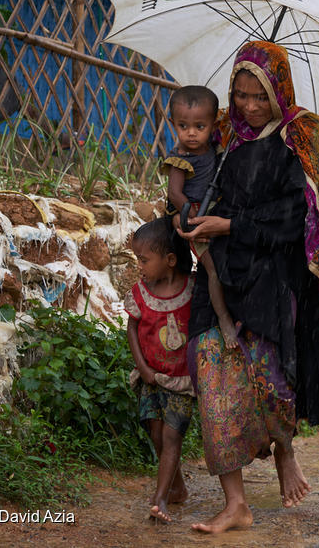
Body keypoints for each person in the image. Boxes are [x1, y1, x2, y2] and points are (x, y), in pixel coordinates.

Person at [176, 40, 319, 534]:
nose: (249, 106)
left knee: (268, 381)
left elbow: (297, 219)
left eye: (260, 95)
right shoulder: (225, 135)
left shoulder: (301, 135)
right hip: (221, 277)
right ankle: (235, 502)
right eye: (240, 93)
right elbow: (201, 187)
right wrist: (192, 217)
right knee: (211, 370)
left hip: (273, 283)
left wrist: (230, 226)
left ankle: (284, 450)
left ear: (279, 90)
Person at [124, 218, 196, 523]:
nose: (139, 266)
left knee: (171, 436)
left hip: (181, 381)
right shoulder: (140, 293)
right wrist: (142, 367)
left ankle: (160, 498)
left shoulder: (193, 289)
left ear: (169, 260)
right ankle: (176, 486)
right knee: (155, 432)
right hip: (151, 378)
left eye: (144, 260)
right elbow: (132, 328)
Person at [161, 85, 237, 347]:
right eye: (183, 126)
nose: (191, 133)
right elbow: (174, 193)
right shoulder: (180, 157)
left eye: (199, 127)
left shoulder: (213, 148)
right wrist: (191, 213)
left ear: (213, 124)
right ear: (172, 123)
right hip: (191, 219)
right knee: (212, 270)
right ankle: (224, 320)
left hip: (211, 214)